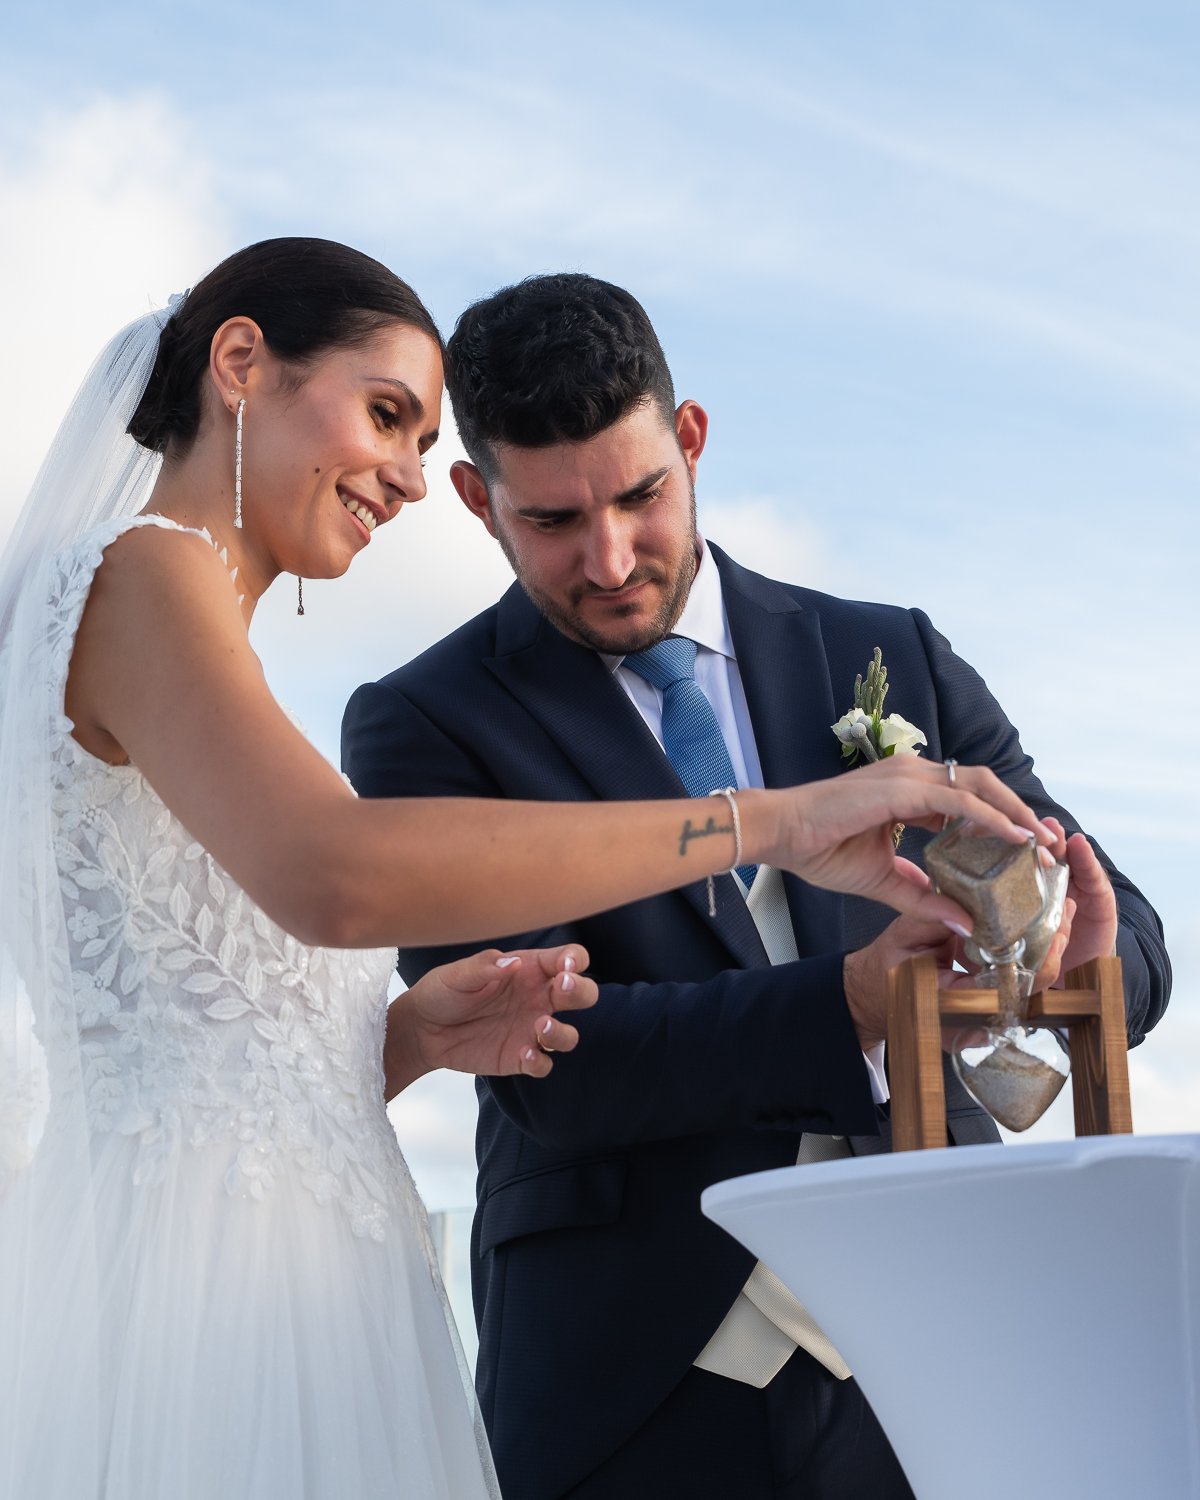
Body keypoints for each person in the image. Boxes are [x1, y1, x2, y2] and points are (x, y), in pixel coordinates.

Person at [0, 240, 1048, 1500]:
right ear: (239, 362)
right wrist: (762, 821)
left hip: (320, 1272)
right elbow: (334, 877)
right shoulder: (151, 567)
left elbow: (224, 1022)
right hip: (210, 1286)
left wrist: (404, 1038)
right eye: (385, 413)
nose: (397, 472)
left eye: (417, 431)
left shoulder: (198, 632)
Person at [341, 273, 1172, 1500]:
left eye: (640, 496)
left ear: (691, 439)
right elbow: (550, 1065)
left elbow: (1131, 937)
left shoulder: (891, 652)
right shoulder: (426, 724)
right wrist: (845, 1004)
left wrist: (1059, 965)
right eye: (556, 523)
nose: (612, 558)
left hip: (948, 1348)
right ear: (477, 498)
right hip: (631, 1374)